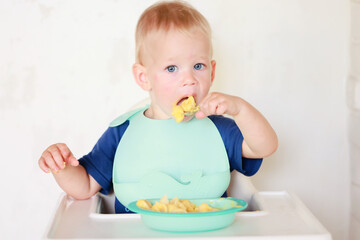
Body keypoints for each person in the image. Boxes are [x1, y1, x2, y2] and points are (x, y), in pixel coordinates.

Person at [38, 0, 278, 213]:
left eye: (198, 66)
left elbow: (264, 147)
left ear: (212, 71)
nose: (189, 79)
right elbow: (85, 186)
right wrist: (61, 167)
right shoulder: (123, 132)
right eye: (172, 68)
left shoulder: (217, 129)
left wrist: (240, 109)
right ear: (144, 78)